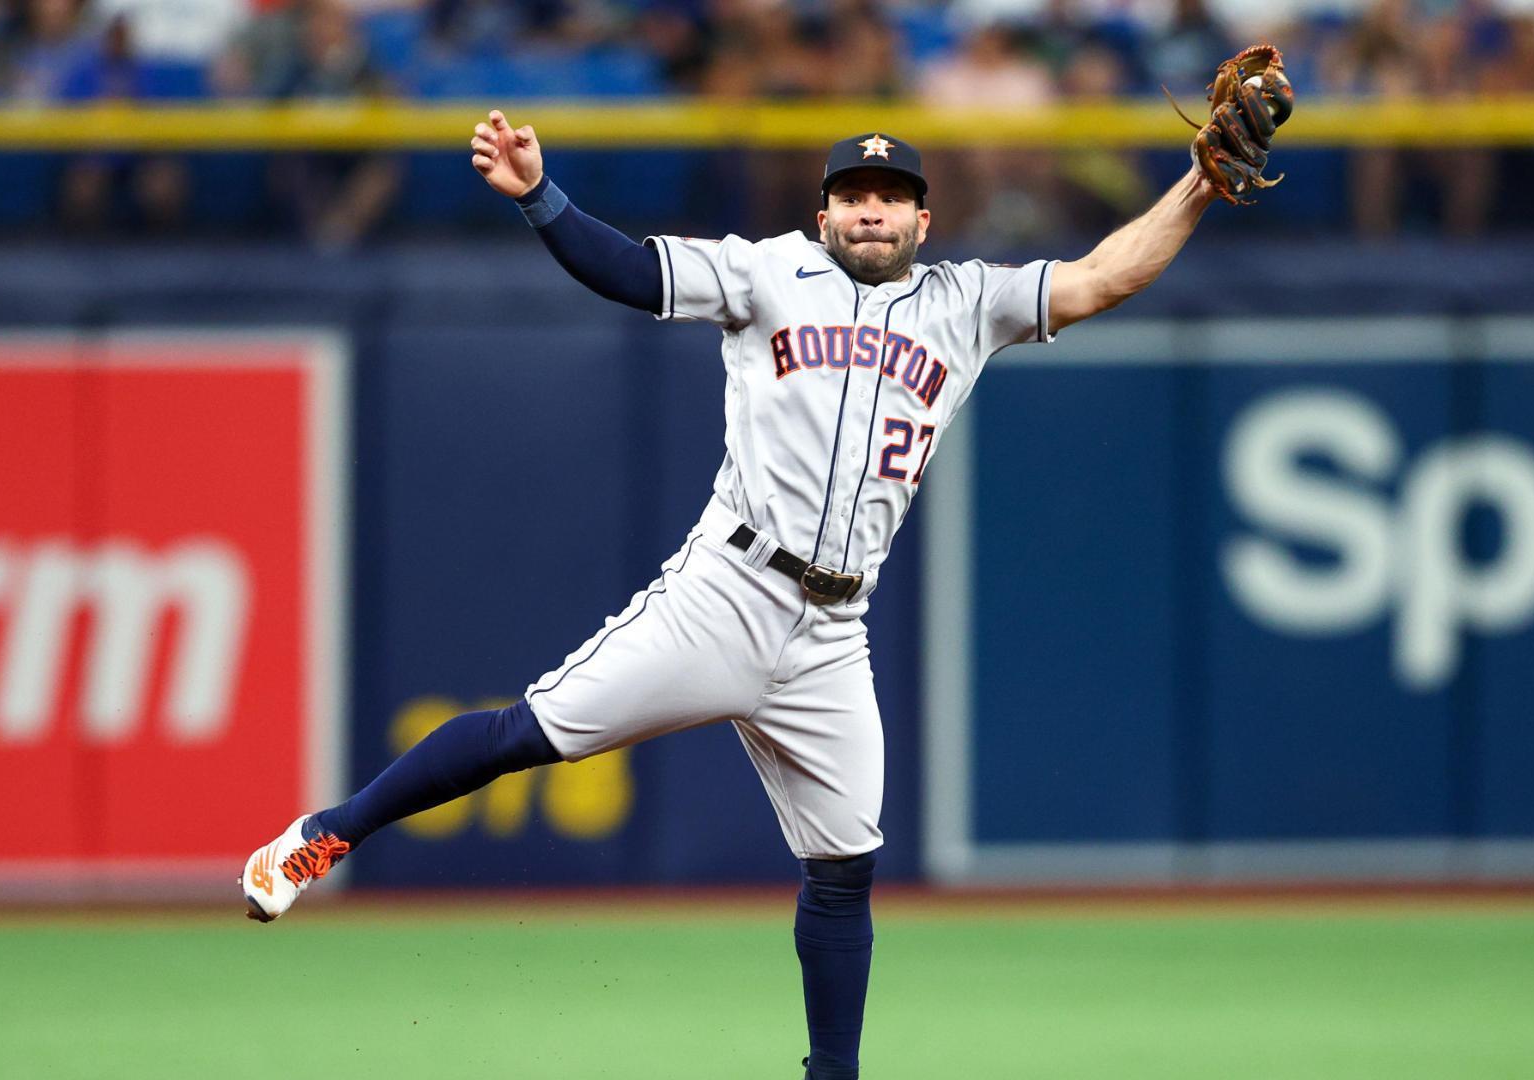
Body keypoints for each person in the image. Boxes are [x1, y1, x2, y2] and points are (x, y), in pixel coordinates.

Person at [242, 109, 1228, 1079]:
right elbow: (629, 272)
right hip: (726, 594)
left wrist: (1194, 185)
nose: (872, 213)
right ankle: (324, 833)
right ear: (824, 212)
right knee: (525, 734)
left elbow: (1103, 276)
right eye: (854, 197)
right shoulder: (765, 271)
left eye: (892, 199)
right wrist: (542, 198)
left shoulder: (968, 302)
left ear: (925, 221)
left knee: (845, 869)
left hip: (835, 631)